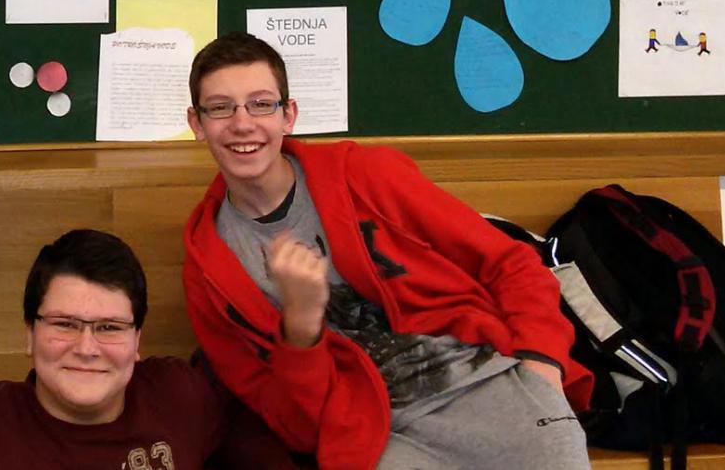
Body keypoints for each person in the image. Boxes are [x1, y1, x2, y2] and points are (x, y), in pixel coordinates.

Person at [180, 32, 593, 470]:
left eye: (261, 104)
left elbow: (510, 263)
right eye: (220, 108)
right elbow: (295, 425)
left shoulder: (366, 175)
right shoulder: (209, 270)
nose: (242, 123)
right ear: (196, 123)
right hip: (378, 432)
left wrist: (542, 364)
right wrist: (301, 328)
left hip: (487, 381)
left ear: (289, 115)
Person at [0, 229, 303, 470]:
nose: (86, 347)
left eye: (109, 327)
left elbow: (267, 421)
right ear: (29, 334)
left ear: (137, 341)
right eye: (64, 324)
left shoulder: (182, 396)